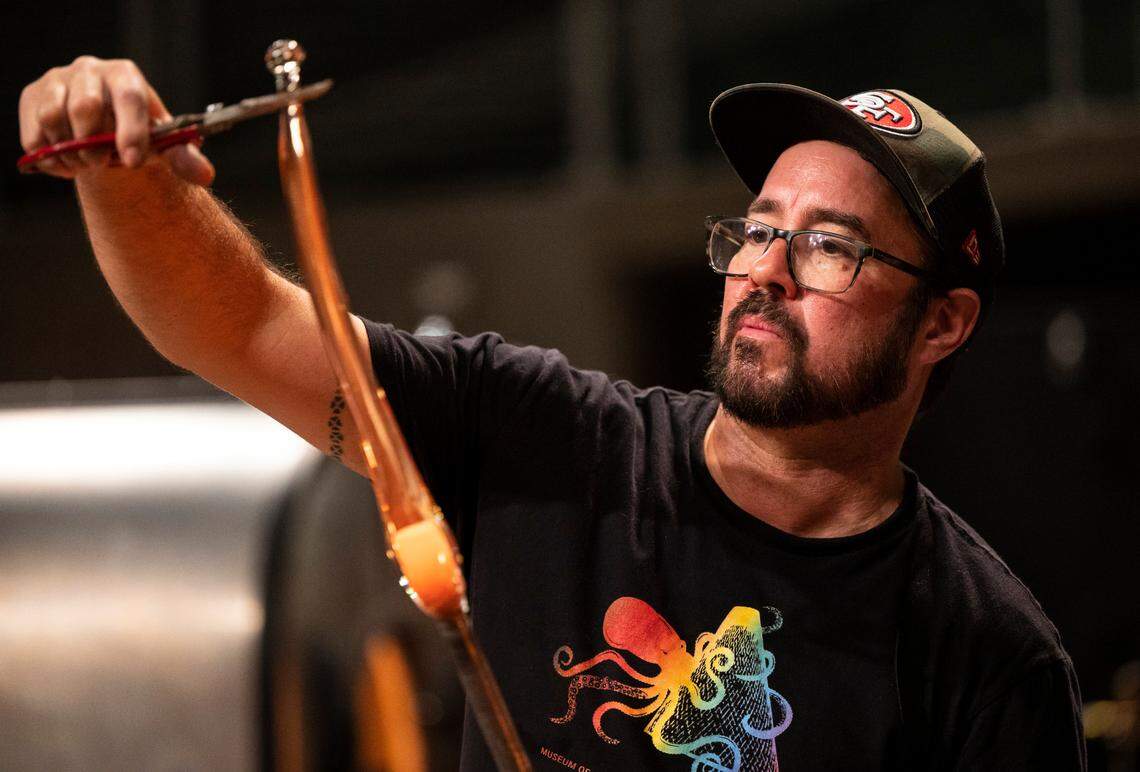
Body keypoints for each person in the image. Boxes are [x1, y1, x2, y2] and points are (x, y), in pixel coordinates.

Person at [19, 58, 1086, 770]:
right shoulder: (543, 438)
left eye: (831, 247)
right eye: (757, 230)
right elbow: (241, 326)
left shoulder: (988, 657)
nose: (765, 271)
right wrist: (125, 181)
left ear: (942, 323)